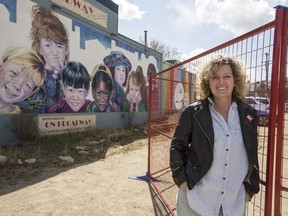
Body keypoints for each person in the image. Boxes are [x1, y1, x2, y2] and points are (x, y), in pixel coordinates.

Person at [170, 55, 260, 216]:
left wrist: (250, 189)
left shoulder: (249, 115)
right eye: (215, 77)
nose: (221, 82)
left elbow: (252, 153)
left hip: (233, 204)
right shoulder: (193, 113)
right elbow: (177, 146)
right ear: (207, 82)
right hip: (195, 200)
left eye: (227, 76)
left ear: (235, 80)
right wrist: (182, 181)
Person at [22, 5, 70, 113]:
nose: (55, 52)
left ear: (66, 50)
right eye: (48, 45)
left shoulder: (71, 79)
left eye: (59, 46)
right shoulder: (30, 78)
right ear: (40, 49)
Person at [0, 47, 45, 114]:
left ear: (30, 93)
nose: (18, 86)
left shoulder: (21, 116)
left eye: (27, 85)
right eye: (14, 73)